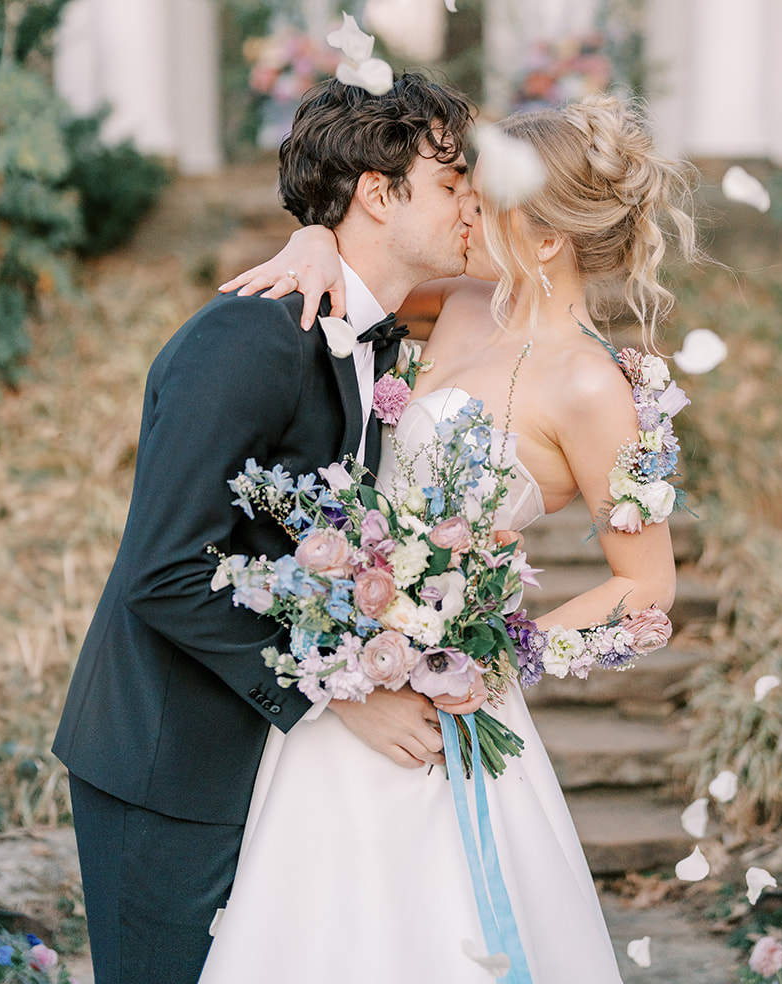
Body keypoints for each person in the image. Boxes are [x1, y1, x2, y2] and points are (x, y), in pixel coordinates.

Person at [205, 92, 691, 984]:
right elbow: (362, 267)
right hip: (345, 672)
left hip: (444, 696)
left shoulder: (591, 388)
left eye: (482, 195)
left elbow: (646, 585)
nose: (462, 204)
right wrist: (314, 238)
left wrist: (497, 655)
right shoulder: (461, 303)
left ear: (545, 238)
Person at [51, 73, 476, 984]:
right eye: (449, 184)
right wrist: (343, 694)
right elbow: (163, 571)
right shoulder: (248, 338)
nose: (470, 205)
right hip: (172, 763)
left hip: (271, 767)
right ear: (376, 190)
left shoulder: (372, 339)